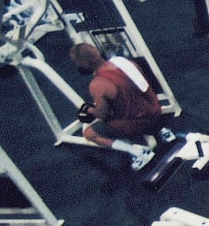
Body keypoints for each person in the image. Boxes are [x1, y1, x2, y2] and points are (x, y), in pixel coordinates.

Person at [70, 41, 166, 170]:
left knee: (89, 133)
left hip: (138, 124)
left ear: (85, 64)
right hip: (157, 111)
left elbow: (102, 115)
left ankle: (138, 153)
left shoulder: (97, 84)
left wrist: (89, 110)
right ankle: (161, 130)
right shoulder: (124, 62)